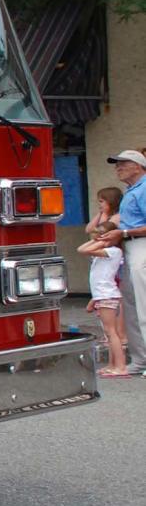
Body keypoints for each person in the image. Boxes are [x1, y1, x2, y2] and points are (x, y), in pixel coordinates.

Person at [97, 150, 146, 376]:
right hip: (131, 245)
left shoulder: (144, 188)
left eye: (124, 164)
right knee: (132, 306)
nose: (118, 168)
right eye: (117, 165)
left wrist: (122, 232)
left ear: (138, 166)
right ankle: (139, 360)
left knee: (142, 304)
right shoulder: (131, 191)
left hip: (141, 245)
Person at [78, 220, 128, 377]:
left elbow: (82, 250)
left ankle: (120, 366)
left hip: (108, 295)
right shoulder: (103, 253)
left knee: (111, 332)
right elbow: (82, 248)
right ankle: (112, 365)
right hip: (103, 295)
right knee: (108, 334)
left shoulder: (113, 251)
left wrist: (100, 241)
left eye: (102, 235)